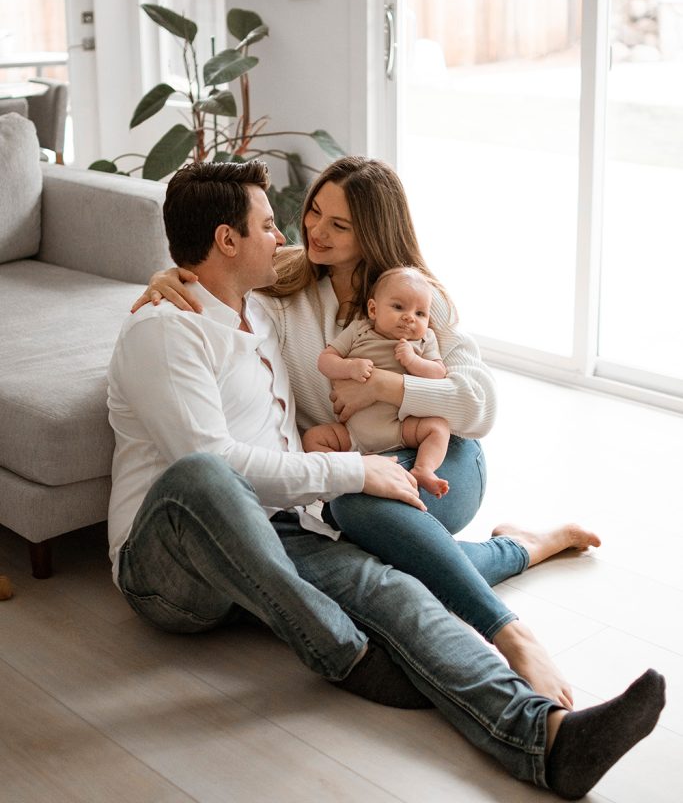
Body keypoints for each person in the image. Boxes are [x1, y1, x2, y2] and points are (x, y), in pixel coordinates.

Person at [113, 158, 665, 799]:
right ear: (227, 239)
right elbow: (217, 463)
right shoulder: (167, 328)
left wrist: (344, 418)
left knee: (398, 591)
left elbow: (474, 402)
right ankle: (344, 653)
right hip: (169, 558)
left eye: (329, 222)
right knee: (208, 477)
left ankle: (546, 739)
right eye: (276, 223)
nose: (294, 234)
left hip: (292, 525)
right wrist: (351, 464)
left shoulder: (275, 309)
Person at [303, 266, 451, 498]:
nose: (409, 317)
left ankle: (423, 469)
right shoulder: (359, 330)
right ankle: (346, 474)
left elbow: (438, 374)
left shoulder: (424, 339)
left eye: (421, 314)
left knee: (438, 428)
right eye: (398, 307)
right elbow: (325, 360)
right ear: (373, 309)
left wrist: (413, 361)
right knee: (313, 438)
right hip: (352, 433)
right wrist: (349, 367)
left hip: (399, 429)